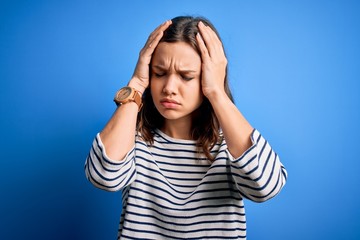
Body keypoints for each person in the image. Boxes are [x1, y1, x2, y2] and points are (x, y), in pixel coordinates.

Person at [85, 15, 287, 239]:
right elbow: (103, 176)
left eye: (186, 76)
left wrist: (217, 93)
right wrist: (136, 85)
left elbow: (266, 186)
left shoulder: (231, 144)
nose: (169, 87)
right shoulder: (132, 138)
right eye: (159, 73)